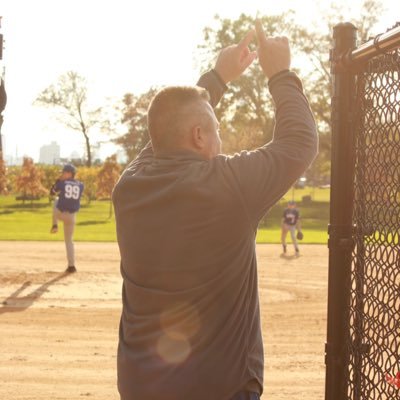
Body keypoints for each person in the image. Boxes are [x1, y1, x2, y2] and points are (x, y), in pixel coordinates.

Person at [112, 20, 317, 400]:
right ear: (199, 136)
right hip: (218, 388)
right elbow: (300, 142)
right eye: (216, 129)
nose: (221, 140)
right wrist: (281, 75)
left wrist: (218, 77)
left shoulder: (129, 187)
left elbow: (163, 135)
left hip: (141, 386)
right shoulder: (226, 186)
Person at [50, 163, 84, 273]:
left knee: (55, 200)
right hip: (72, 217)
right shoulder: (81, 185)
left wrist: (56, 183)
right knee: (69, 241)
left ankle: (55, 224)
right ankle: (71, 266)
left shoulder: (62, 183)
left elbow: (52, 192)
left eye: (64, 172)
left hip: (60, 213)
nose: (62, 174)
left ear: (70, 173)